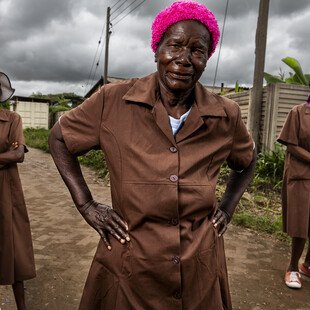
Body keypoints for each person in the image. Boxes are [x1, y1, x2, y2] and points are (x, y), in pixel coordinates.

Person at [49, 1, 256, 309]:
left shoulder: (226, 114)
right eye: (174, 46)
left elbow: (248, 160)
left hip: (199, 265)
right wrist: (86, 204)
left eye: (197, 51)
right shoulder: (113, 101)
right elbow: (60, 137)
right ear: (157, 48)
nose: (184, 60)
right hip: (131, 263)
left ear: (206, 59)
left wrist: (226, 208)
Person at [0, 72, 36, 310]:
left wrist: (12, 155)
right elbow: (10, 153)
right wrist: (6, 155)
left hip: (6, 191)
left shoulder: (12, 118)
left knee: (14, 247)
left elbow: (18, 154)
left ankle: (21, 307)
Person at [278, 94, 310, 289]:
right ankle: (292, 268)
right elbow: (291, 145)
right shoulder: (298, 112)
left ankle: (307, 265)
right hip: (301, 176)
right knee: (300, 223)